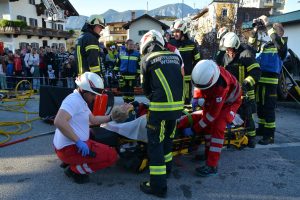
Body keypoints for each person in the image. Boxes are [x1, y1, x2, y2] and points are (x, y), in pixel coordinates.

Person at [177, 60, 242, 176]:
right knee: (207, 125)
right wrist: (196, 97)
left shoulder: (221, 87)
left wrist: (194, 129)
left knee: (218, 126)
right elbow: (198, 84)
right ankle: (208, 153)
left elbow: (212, 116)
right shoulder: (204, 71)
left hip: (230, 103)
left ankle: (212, 165)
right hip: (213, 97)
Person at [139, 30, 184, 197]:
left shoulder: (147, 59)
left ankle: (158, 186)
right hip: (177, 109)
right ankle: (167, 171)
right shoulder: (175, 57)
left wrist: (154, 99)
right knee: (167, 140)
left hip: (159, 109)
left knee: (155, 145)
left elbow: (145, 88)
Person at [53, 72, 118, 184]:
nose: (95, 97)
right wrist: (78, 141)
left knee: (94, 136)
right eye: (93, 94)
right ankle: (74, 170)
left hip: (70, 146)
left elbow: (93, 120)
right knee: (111, 156)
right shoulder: (73, 101)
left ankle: (72, 162)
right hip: (70, 148)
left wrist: (111, 117)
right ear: (83, 90)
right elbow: (59, 121)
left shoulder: (80, 100)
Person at [248, 16, 288, 145]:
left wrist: (267, 24)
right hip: (260, 82)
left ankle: (270, 136)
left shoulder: (281, 45)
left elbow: (275, 39)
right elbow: (250, 47)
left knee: (268, 109)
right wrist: (254, 30)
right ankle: (263, 129)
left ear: (279, 33)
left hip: (270, 84)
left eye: (273, 31)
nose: (270, 33)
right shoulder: (266, 46)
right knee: (260, 107)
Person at [217, 32, 261, 148]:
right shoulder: (224, 56)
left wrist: (246, 84)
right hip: (230, 93)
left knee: (247, 116)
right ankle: (235, 139)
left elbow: (256, 73)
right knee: (232, 116)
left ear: (236, 46)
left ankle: (251, 139)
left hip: (245, 92)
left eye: (230, 49)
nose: (228, 51)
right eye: (226, 49)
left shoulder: (246, 55)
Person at [170, 19, 201, 105]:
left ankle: (185, 116)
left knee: (187, 100)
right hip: (174, 76)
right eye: (174, 32)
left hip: (187, 77)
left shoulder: (191, 44)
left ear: (183, 31)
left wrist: (194, 72)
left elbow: (197, 60)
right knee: (175, 97)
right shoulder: (171, 44)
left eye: (177, 32)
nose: (174, 34)